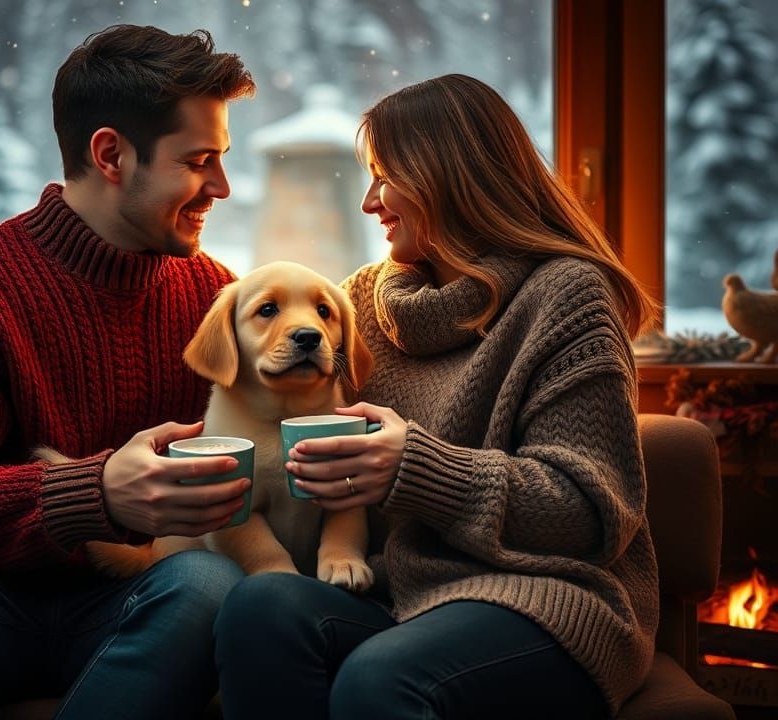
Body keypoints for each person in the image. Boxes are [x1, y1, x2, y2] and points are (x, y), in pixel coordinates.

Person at [0, 25, 255, 719]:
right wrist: (92, 495)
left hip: (135, 603)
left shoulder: (220, 300)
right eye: (199, 160)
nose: (222, 186)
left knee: (213, 587)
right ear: (111, 154)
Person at [214, 74, 660, 719]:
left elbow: (590, 515)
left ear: (449, 177)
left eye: (384, 176)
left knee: (381, 678)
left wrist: (415, 468)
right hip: (398, 593)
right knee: (261, 606)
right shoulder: (358, 301)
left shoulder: (566, 296)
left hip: (543, 599)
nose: (370, 203)